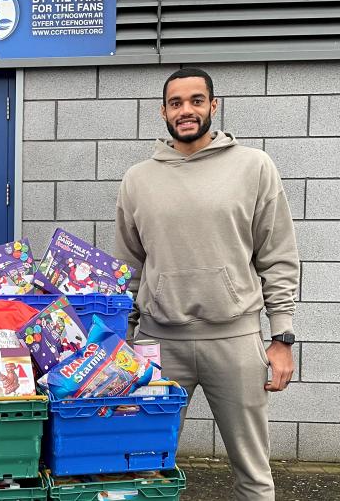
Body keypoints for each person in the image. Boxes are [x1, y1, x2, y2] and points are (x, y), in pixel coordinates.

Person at [114, 68, 298, 501]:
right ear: (163, 112)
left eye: (197, 100)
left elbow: (278, 254)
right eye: (176, 103)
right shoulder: (138, 179)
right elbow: (128, 266)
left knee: (253, 473)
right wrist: (119, 342)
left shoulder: (254, 167)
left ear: (213, 106)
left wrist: (282, 336)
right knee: (141, 466)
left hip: (233, 340)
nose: (186, 110)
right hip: (158, 344)